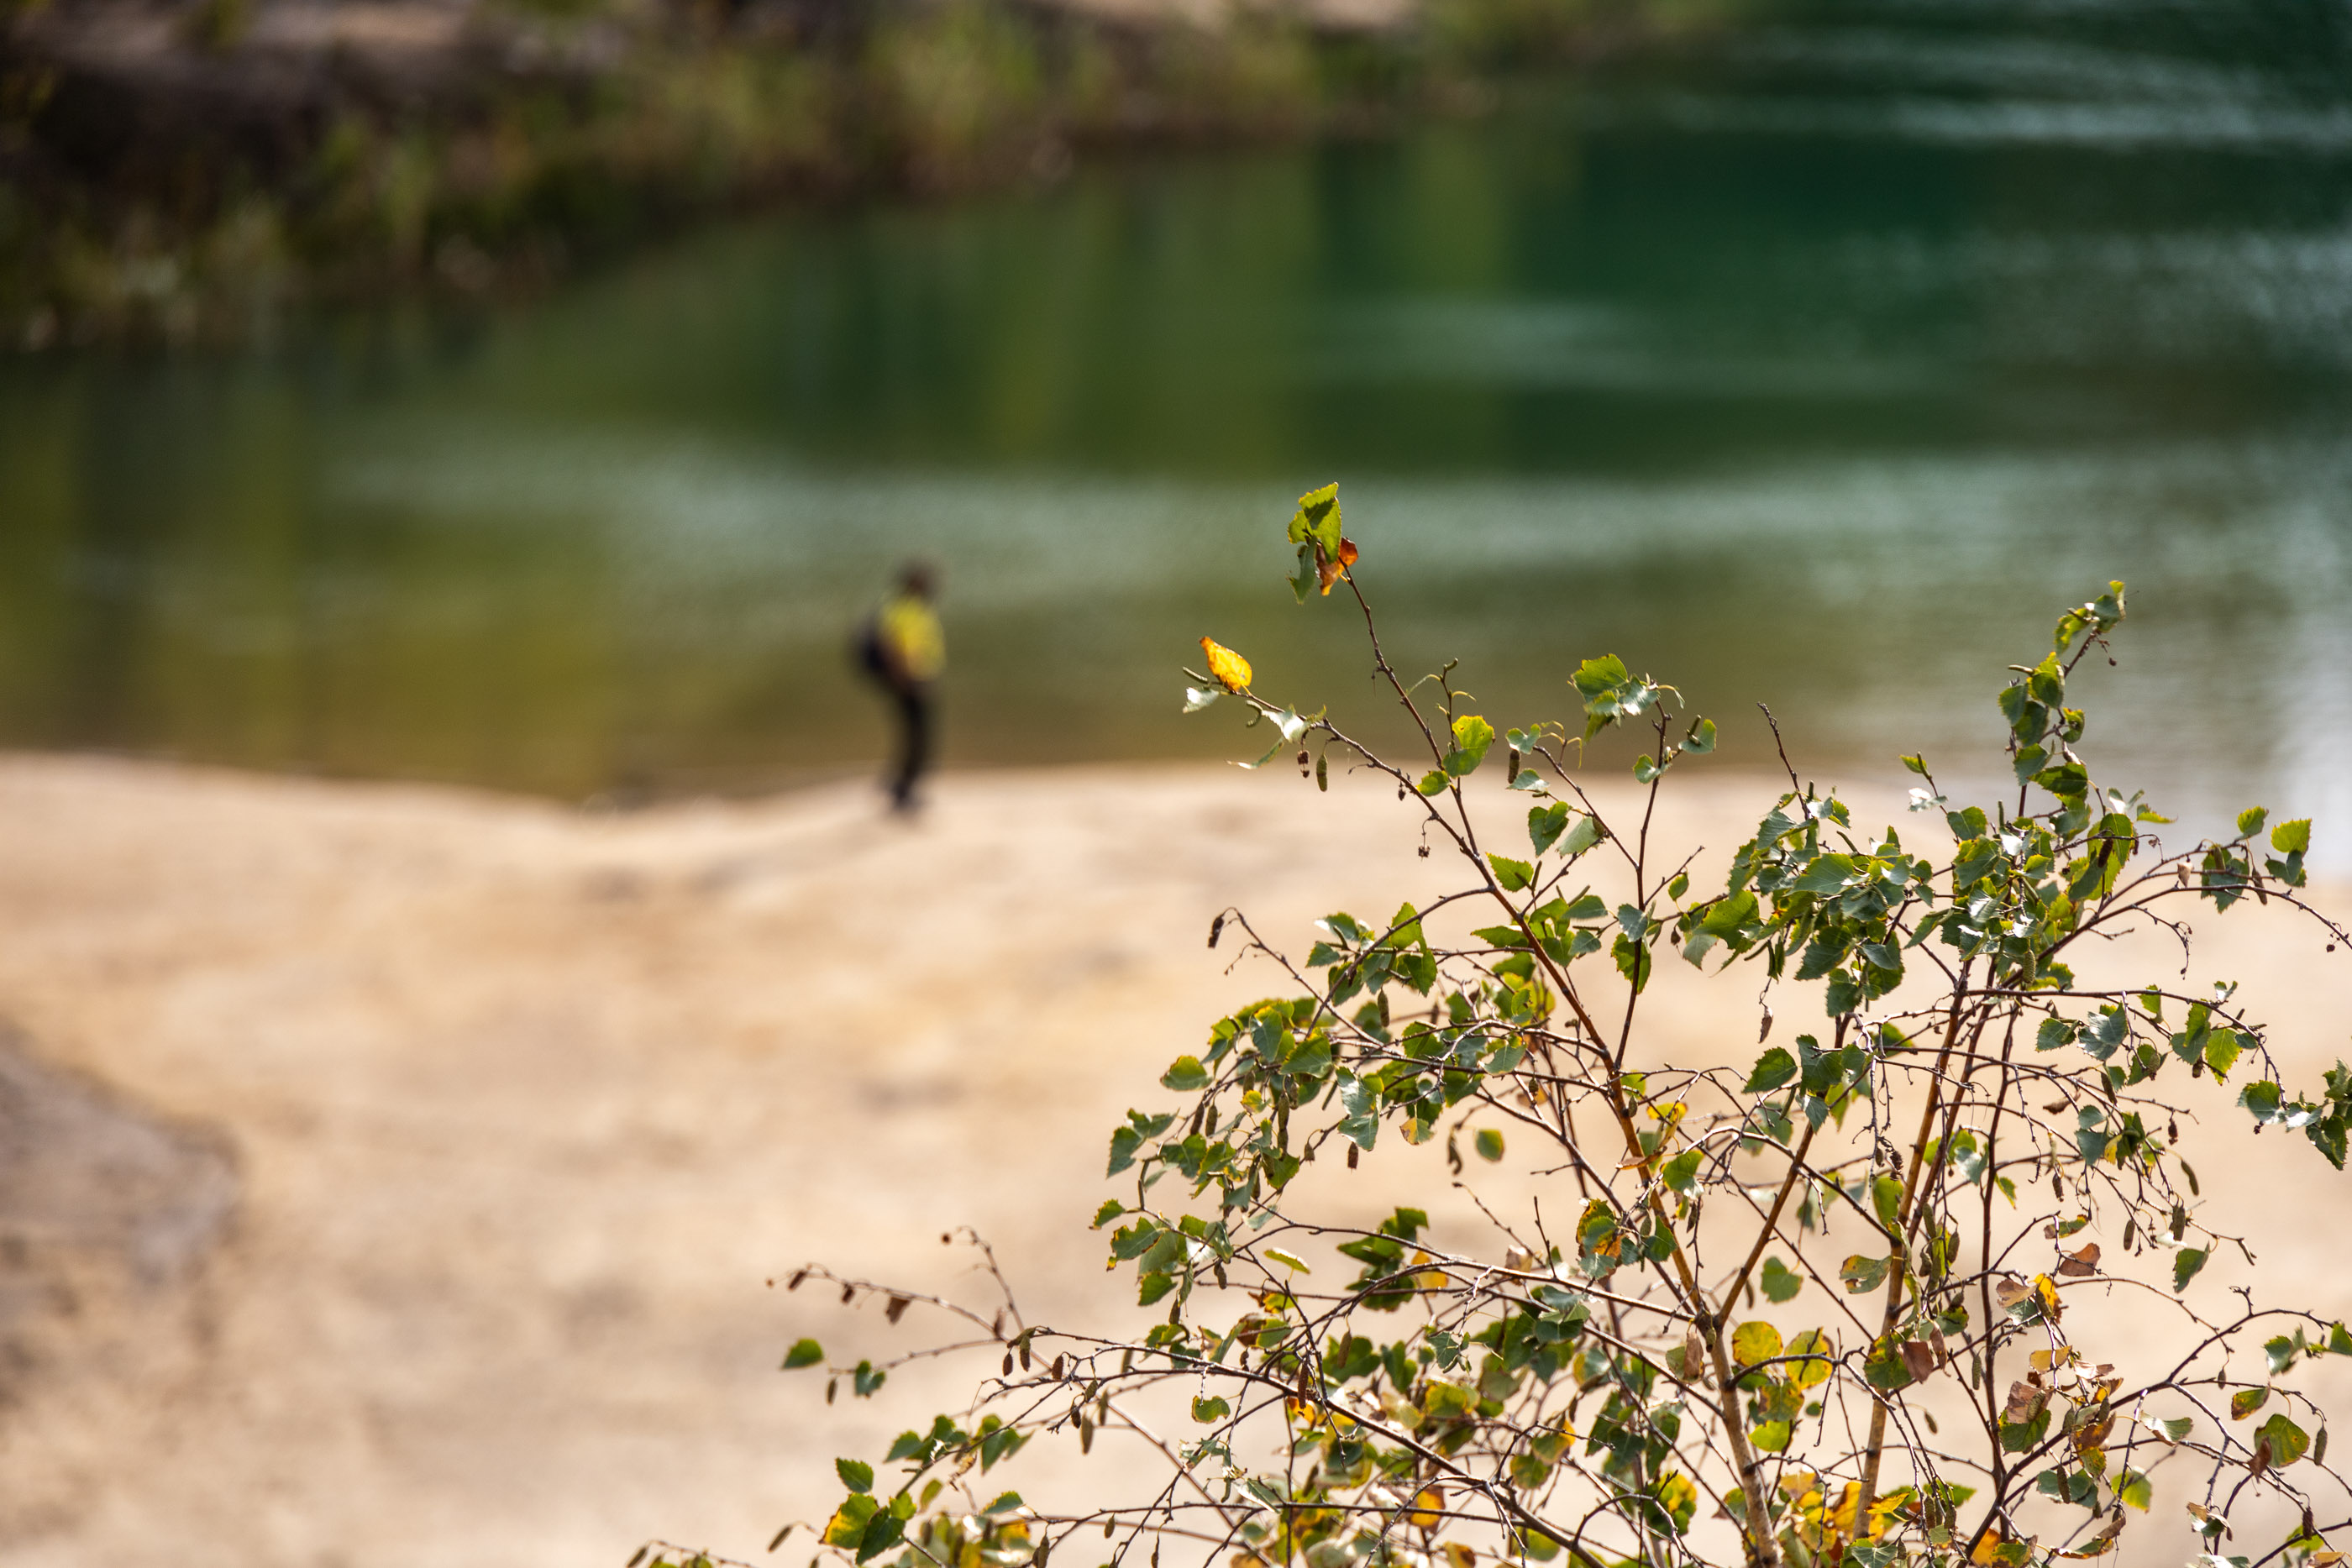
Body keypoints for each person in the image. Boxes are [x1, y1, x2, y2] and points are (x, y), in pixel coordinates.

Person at [857, 561, 944, 812]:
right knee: (918, 736)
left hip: (912, 679)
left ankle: (897, 783)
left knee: (913, 735)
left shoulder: (905, 606)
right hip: (908, 681)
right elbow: (892, 647)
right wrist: (905, 680)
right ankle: (903, 791)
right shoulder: (903, 609)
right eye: (925, 580)